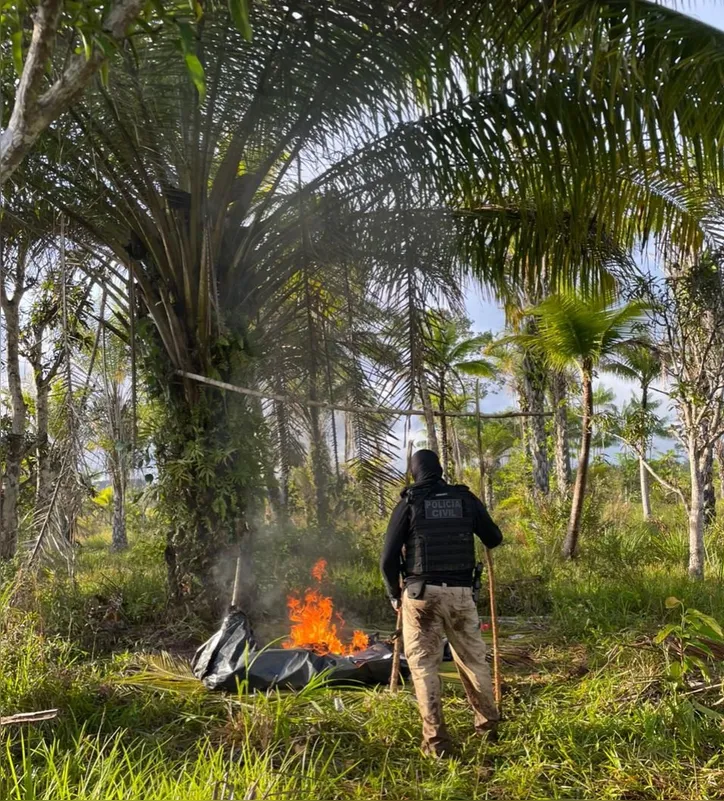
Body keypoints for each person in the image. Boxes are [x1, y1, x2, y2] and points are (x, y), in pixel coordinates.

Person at [380, 448, 503, 758]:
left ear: (414, 472)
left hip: (421, 597)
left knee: (423, 667)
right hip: (461, 595)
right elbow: (494, 538)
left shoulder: (409, 503)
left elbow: (387, 560)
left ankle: (436, 743)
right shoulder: (465, 499)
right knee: (474, 661)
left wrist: (395, 595)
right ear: (440, 469)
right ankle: (488, 727)